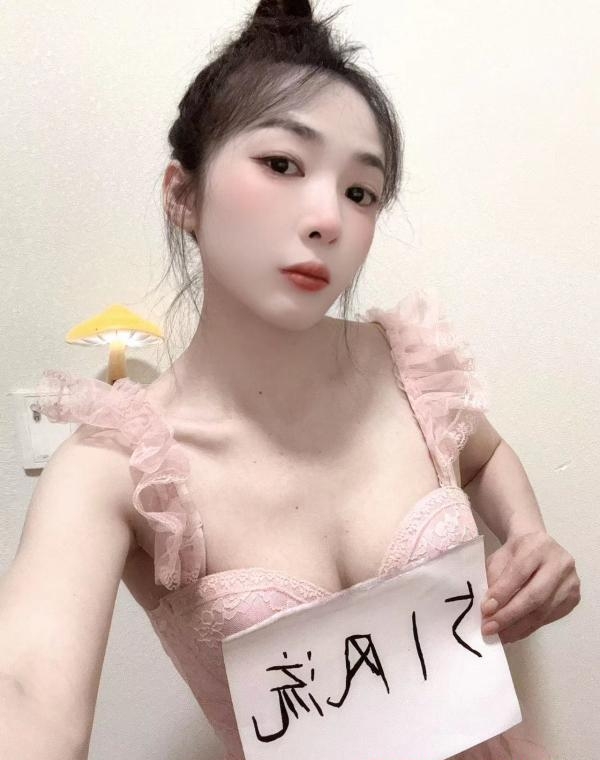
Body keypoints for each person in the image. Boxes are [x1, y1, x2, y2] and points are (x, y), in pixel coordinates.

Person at [1, 0, 580, 758]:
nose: (327, 219)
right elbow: (25, 691)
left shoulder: (409, 370)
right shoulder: (118, 470)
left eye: (360, 191)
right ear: (183, 195)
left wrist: (530, 535)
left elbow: (486, 454)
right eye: (281, 164)